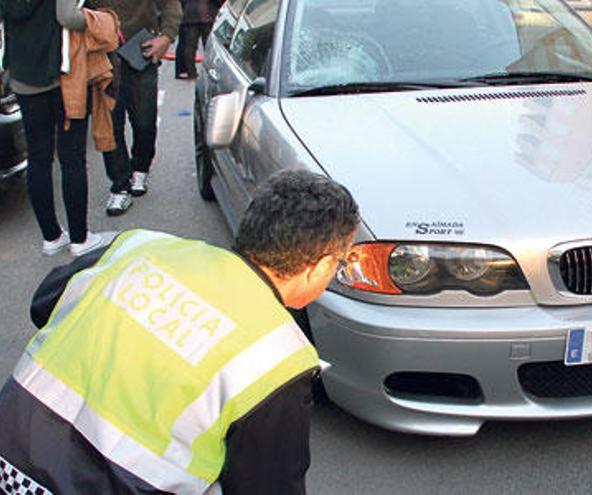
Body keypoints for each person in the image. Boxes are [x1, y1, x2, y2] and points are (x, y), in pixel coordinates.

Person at [0, 170, 360, 494]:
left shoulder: (140, 246)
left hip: (10, 455)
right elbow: (269, 483)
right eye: (341, 263)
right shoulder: (280, 355)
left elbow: (43, 303)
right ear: (320, 265)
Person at [0, 0, 113, 255]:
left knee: (39, 158)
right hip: (63, 76)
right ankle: (79, 239)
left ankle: (51, 237)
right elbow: (67, 17)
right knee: (71, 157)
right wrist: (96, 19)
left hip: (23, 78)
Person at [86, 0, 182, 216]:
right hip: (102, 51)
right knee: (110, 122)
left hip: (141, 49)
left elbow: (171, 5)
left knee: (144, 119)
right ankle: (119, 184)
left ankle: (140, 166)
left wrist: (166, 38)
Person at [175, 0, 222, 79]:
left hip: (189, 14)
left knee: (189, 46)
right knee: (209, 46)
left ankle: (190, 72)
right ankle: (213, 70)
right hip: (207, 13)